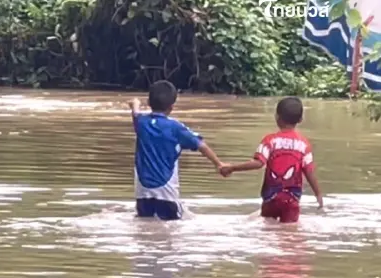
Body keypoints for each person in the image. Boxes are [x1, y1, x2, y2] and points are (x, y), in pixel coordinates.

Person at [130, 80, 225, 221]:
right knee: (173, 230)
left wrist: (135, 104)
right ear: (171, 107)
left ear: (149, 102)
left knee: (145, 225)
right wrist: (219, 164)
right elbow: (202, 145)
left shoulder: (141, 123)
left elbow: (135, 114)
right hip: (167, 193)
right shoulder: (175, 128)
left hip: (142, 194)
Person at [219, 96, 324, 223]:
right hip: (292, 199)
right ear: (301, 119)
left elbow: (258, 163)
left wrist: (232, 167)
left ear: (277, 117)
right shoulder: (304, 145)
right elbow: (309, 172)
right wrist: (318, 194)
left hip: (270, 198)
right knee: (289, 232)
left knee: (267, 228)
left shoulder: (269, 141)